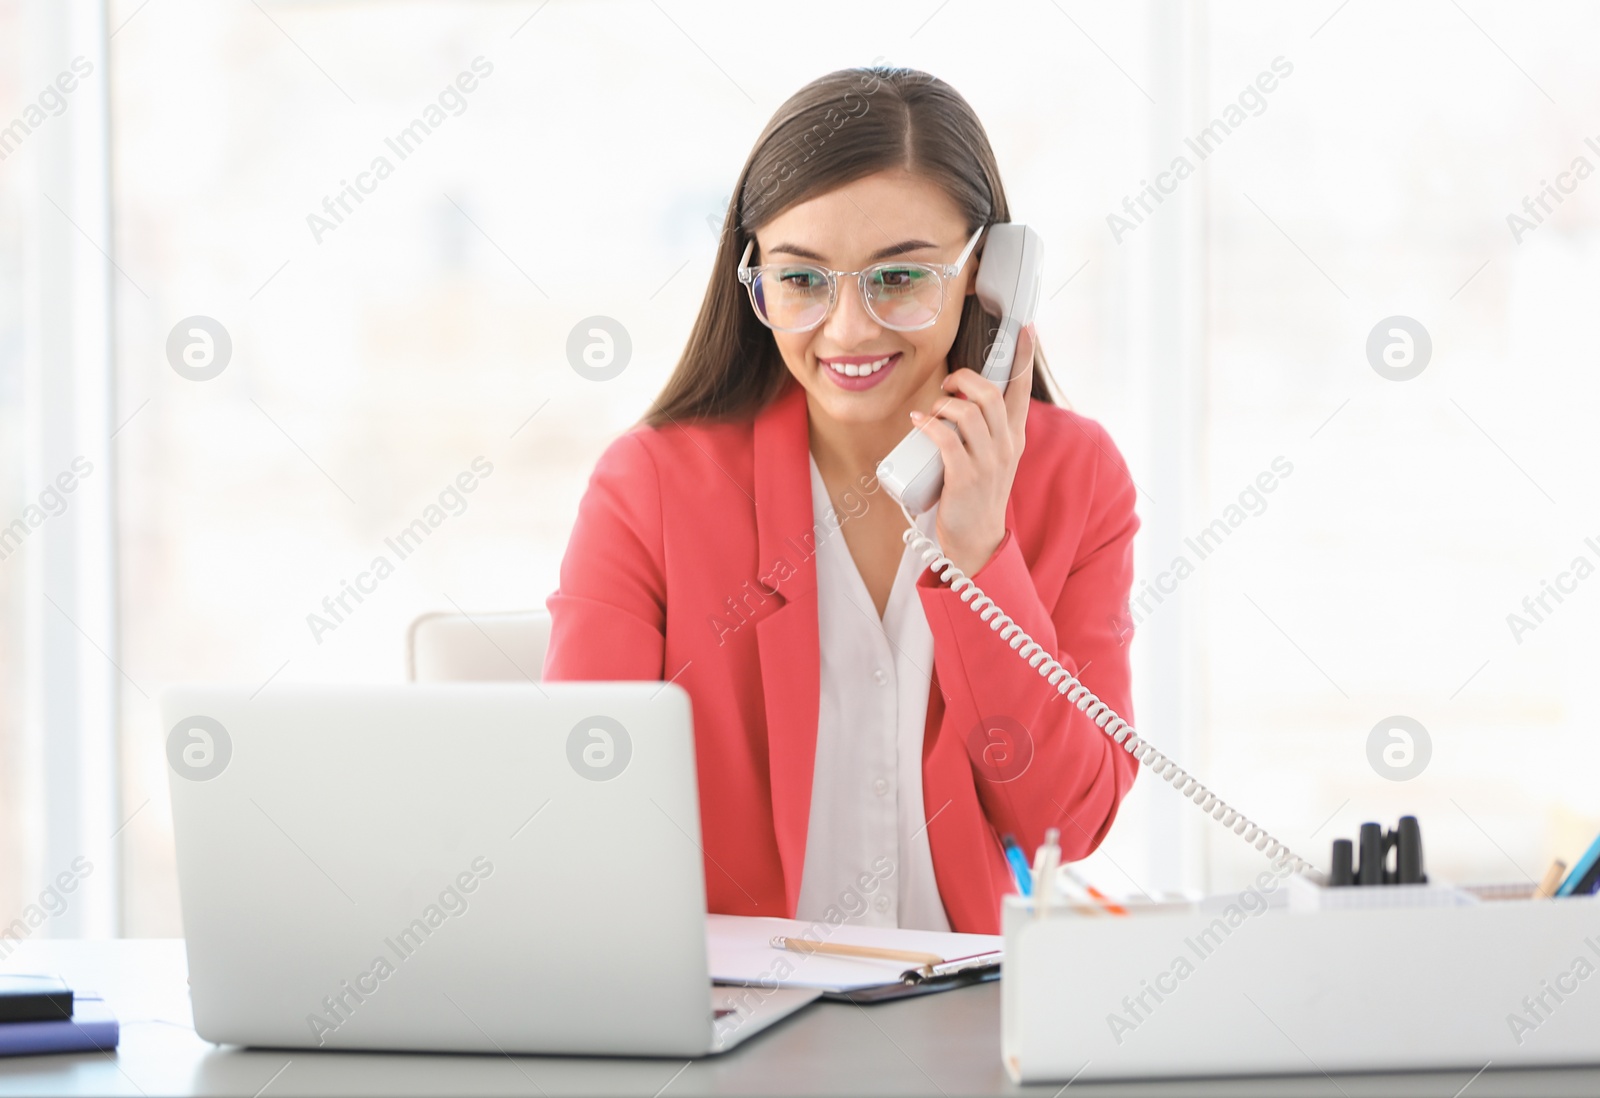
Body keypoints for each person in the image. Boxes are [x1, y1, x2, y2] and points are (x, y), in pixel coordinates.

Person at [545, 66, 1138, 935]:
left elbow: (1069, 820)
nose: (849, 330)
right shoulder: (651, 486)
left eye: (899, 279)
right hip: (739, 1025)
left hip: (968, 1025)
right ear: (753, 281)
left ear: (988, 274)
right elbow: (579, 818)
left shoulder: (1073, 478)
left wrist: (981, 557)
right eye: (801, 280)